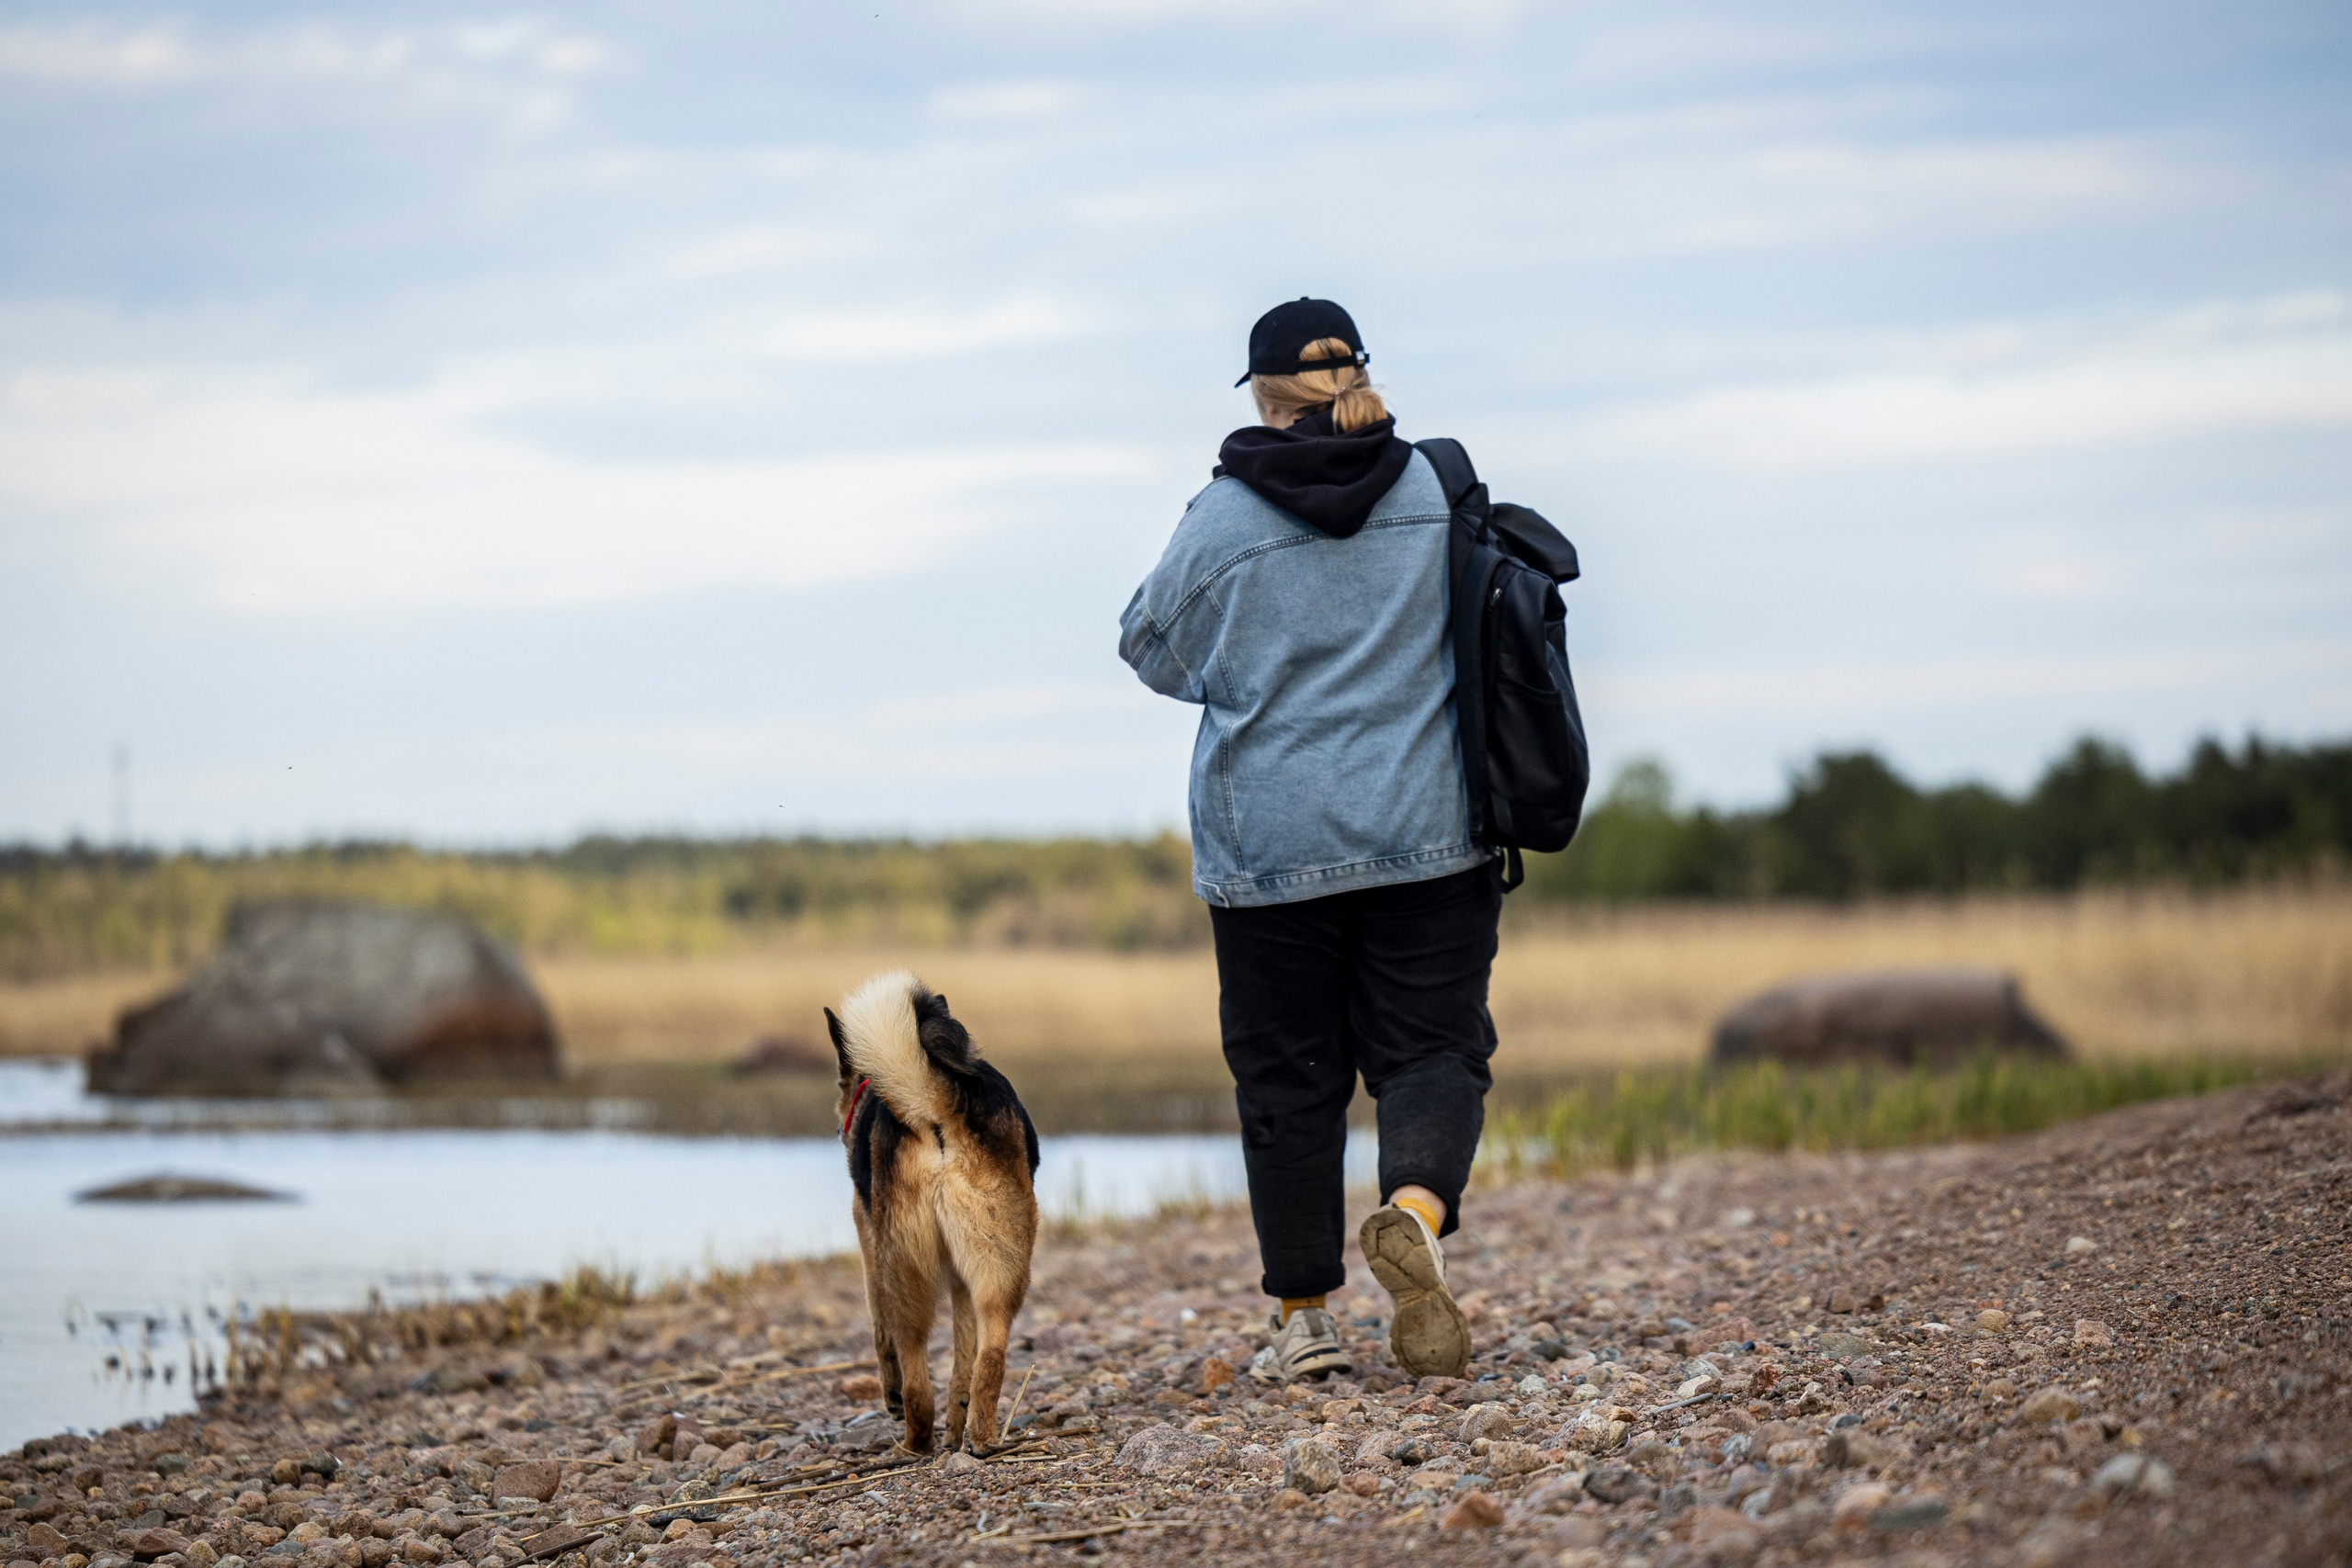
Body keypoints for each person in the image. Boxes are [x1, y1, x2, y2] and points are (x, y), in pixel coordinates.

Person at [1118, 298, 1498, 1383]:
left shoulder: (1225, 517)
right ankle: (1415, 1211)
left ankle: (1304, 1322)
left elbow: (1147, 647)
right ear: (1359, 375)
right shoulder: (1435, 488)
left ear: (1262, 396)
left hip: (1269, 845)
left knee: (1288, 1085)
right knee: (1432, 1050)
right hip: (1431, 829)